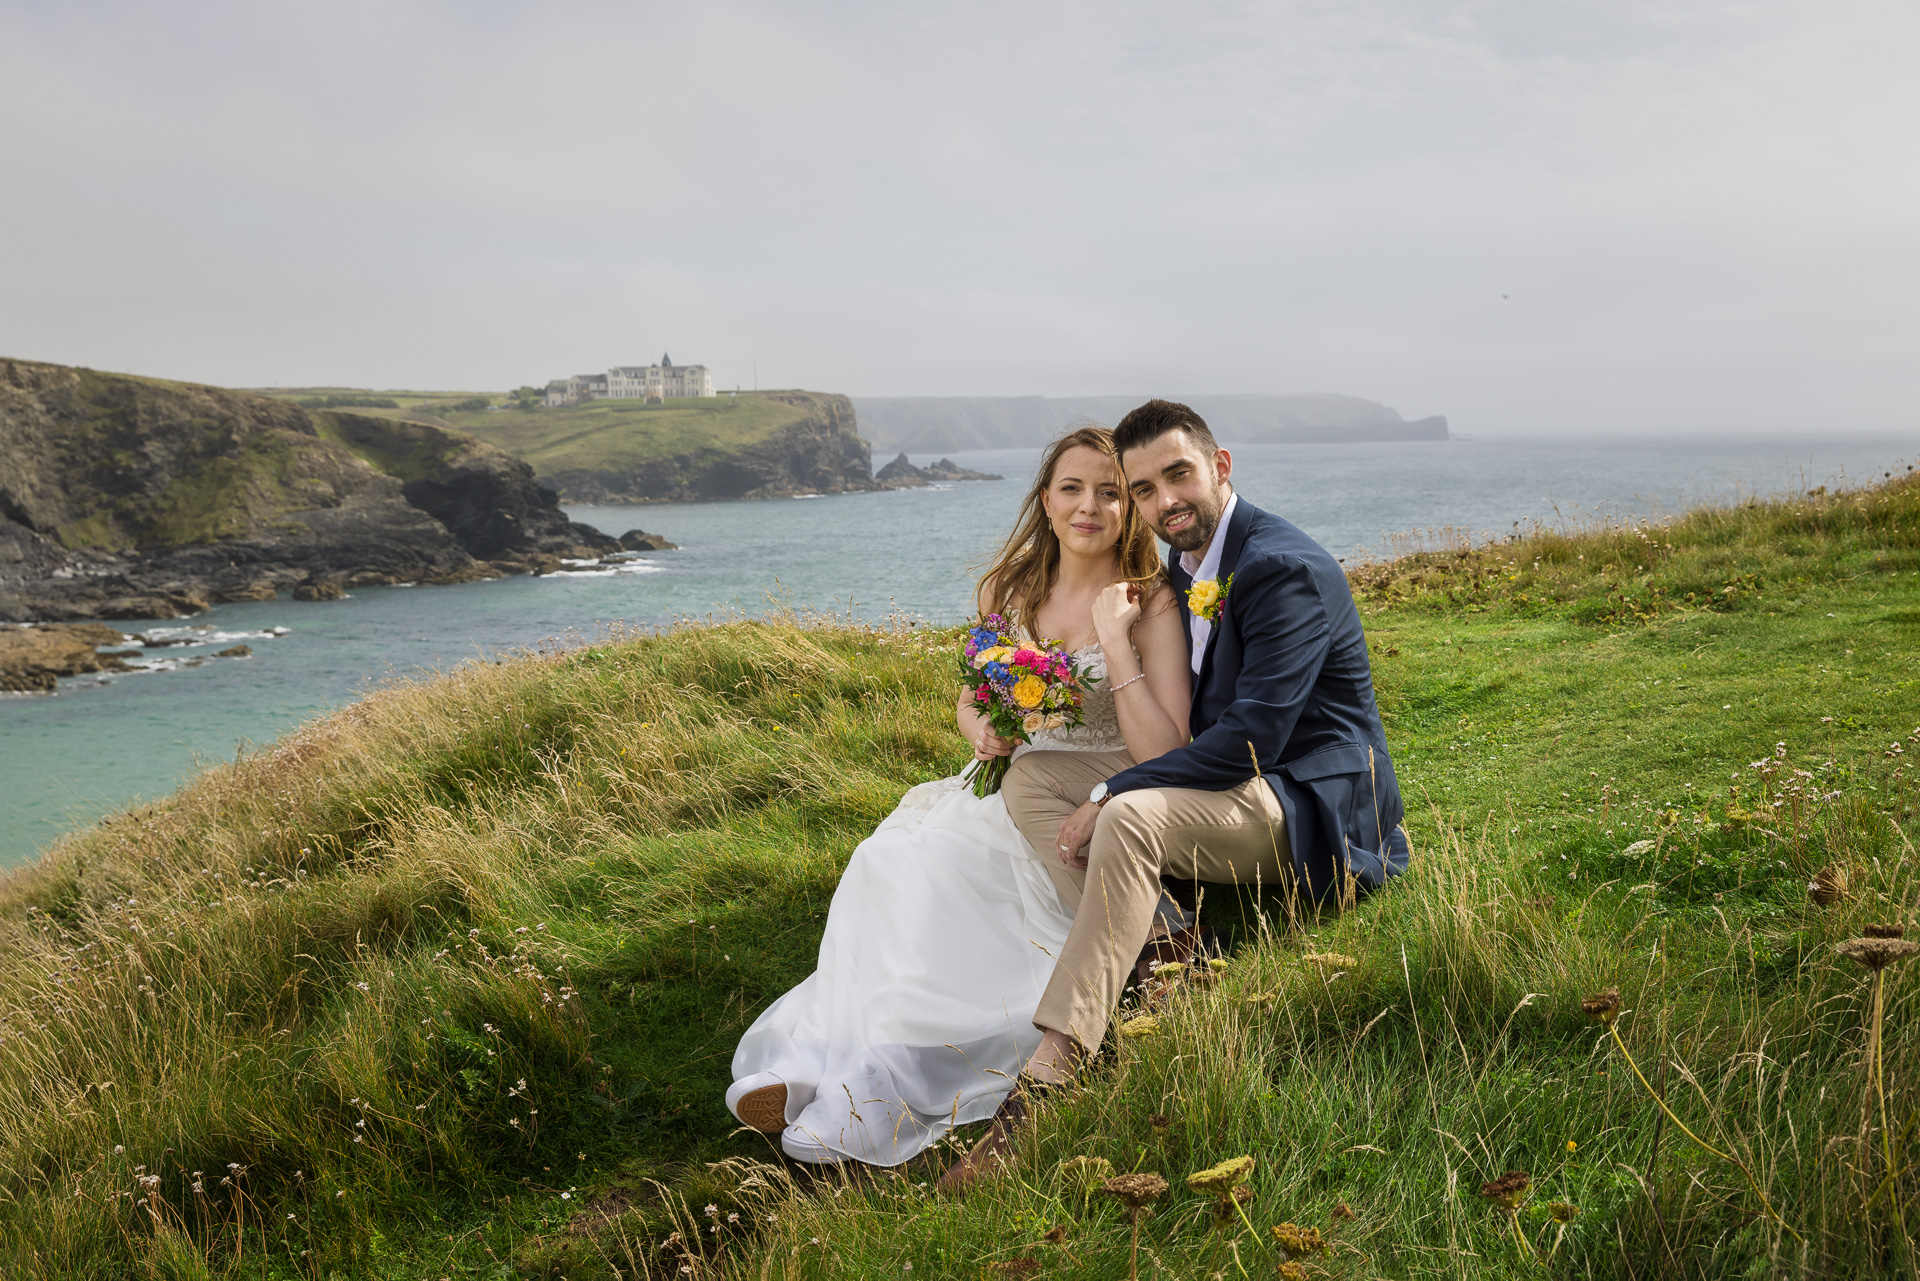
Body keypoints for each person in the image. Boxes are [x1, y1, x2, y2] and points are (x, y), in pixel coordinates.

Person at [941, 399, 1411, 1190]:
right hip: (1234, 783)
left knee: (1125, 813)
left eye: (1179, 474)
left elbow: (1250, 739)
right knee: (1031, 776)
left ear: (1221, 465)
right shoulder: (1190, 568)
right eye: (1147, 488)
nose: (1166, 501)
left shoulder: (1276, 567)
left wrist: (1114, 786)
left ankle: (1049, 1078)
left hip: (1302, 800)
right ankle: (1169, 951)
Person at [726, 425, 1192, 1166]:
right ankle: (813, 1061)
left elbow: (1168, 746)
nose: (1090, 506)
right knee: (888, 864)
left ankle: (879, 1085)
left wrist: (1120, 642)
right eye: (1073, 488)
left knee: (949, 900)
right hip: (1008, 778)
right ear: (1045, 499)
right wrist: (983, 731)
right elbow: (974, 699)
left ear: (1130, 507)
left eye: (1110, 491)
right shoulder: (1008, 591)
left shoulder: (1152, 600)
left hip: (1101, 776)